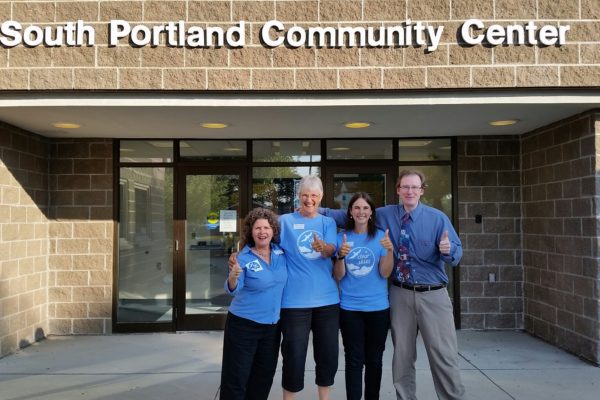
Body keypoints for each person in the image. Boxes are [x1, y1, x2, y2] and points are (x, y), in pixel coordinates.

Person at [322, 170, 465, 400]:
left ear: (421, 191)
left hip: (433, 292)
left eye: (414, 187)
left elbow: (457, 254)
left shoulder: (437, 218)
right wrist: (310, 210)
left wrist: (448, 251)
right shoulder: (385, 215)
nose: (410, 191)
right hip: (400, 292)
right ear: (398, 190)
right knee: (403, 356)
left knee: (443, 354)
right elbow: (351, 215)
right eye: (405, 187)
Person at [278, 175, 339, 400]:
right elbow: (261, 239)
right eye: (305, 194)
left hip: (327, 301)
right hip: (294, 301)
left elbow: (332, 249)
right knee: (293, 355)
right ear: (298, 195)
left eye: (314, 195)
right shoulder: (284, 221)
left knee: (328, 355)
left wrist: (324, 247)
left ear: (321, 197)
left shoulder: (327, 223)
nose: (309, 199)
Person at [220, 208, 287, 400]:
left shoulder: (281, 254)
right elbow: (233, 288)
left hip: (272, 328)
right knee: (236, 379)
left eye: (266, 227)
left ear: (273, 230)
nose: (262, 231)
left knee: (262, 378)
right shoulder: (243, 258)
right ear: (251, 232)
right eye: (257, 228)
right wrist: (233, 277)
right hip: (243, 326)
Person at [333, 193, 393, 400]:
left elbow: (385, 273)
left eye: (365, 208)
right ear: (350, 211)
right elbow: (338, 276)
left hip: (378, 308)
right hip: (350, 309)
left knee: (375, 360)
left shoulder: (380, 237)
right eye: (357, 208)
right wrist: (341, 256)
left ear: (371, 212)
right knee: (354, 360)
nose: (361, 212)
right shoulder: (342, 237)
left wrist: (390, 251)